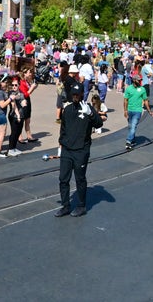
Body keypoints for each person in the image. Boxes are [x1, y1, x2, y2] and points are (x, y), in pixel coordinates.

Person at [55, 82, 104, 217]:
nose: (75, 96)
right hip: (67, 149)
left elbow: (99, 123)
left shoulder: (87, 108)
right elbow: (63, 130)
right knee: (63, 178)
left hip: (81, 150)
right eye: (73, 94)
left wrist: (91, 114)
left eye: (78, 94)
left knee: (80, 179)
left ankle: (81, 206)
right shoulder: (68, 109)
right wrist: (60, 146)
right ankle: (65, 205)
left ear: (82, 94)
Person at [123, 75, 153, 150]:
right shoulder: (129, 89)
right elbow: (125, 100)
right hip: (130, 110)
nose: (140, 81)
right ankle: (132, 139)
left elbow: (145, 100)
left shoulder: (142, 89)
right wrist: (125, 110)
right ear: (134, 80)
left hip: (138, 111)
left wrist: (149, 111)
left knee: (133, 126)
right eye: (138, 80)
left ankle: (128, 141)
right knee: (130, 126)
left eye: (140, 80)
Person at [6, 76, 27, 156]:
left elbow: (23, 100)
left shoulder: (21, 93)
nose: (14, 86)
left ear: (18, 86)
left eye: (15, 85)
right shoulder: (11, 94)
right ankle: (11, 149)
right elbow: (13, 105)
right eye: (12, 85)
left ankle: (14, 147)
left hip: (21, 115)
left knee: (18, 132)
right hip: (14, 116)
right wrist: (18, 116)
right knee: (14, 132)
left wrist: (24, 103)